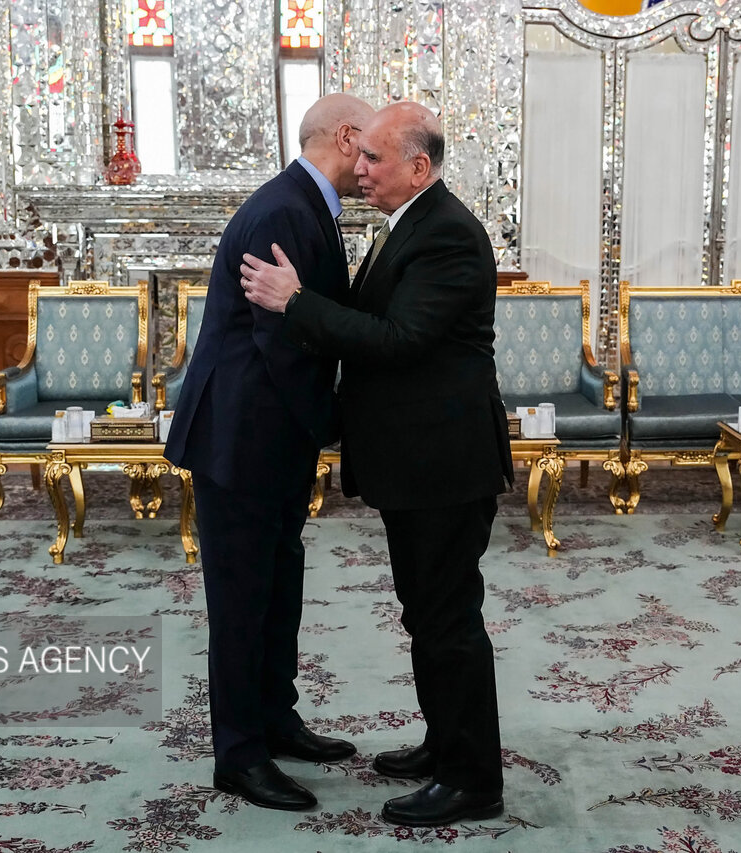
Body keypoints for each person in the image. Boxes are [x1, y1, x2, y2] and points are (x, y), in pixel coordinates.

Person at [240, 101, 514, 827]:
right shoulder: (411, 223)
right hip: (417, 461)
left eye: (375, 158)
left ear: (418, 167)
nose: (359, 168)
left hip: (444, 463)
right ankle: (446, 743)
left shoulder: (447, 233)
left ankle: (471, 780)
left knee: (448, 619)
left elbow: (398, 340)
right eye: (358, 155)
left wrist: (295, 303)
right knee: (427, 612)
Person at [164, 93, 375, 812]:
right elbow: (279, 341)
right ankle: (239, 754)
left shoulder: (304, 204)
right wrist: (334, 421)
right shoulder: (284, 210)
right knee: (242, 597)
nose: (370, 163)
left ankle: (276, 720)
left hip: (268, 435)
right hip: (242, 437)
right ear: (345, 137)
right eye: (368, 147)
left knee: (278, 584)